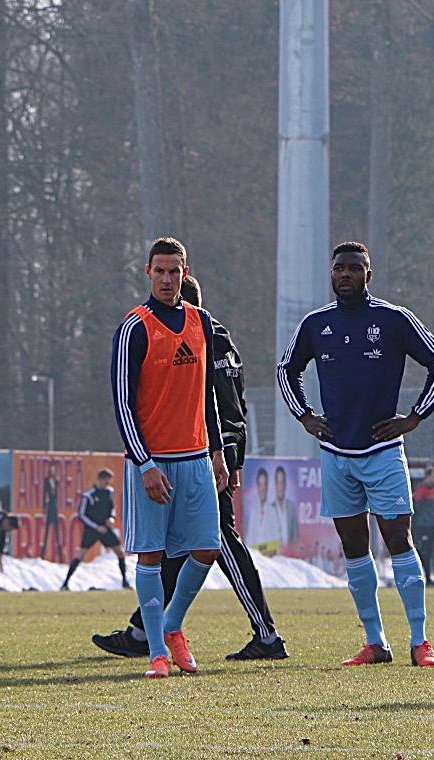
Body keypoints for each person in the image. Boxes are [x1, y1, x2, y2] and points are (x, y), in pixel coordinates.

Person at [93, 275, 287, 662]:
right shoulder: (225, 339)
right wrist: (235, 454)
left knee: (216, 542)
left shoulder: (203, 334)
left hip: (203, 452)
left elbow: (211, 402)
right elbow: (238, 405)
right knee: (176, 548)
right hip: (212, 449)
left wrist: (223, 455)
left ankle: (265, 633)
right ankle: (143, 630)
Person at [278, 241, 434, 667]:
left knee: (398, 540)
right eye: (339, 268)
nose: (346, 275)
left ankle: (420, 641)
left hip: (383, 451)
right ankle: (375, 642)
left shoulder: (393, 320)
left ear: (368, 276)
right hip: (336, 454)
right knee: (354, 546)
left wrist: (414, 417)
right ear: (331, 274)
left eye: (355, 269)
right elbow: (287, 369)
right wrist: (305, 416)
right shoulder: (316, 324)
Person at [110, 237, 229, 678]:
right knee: (152, 556)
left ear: (184, 272)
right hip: (153, 462)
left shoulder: (201, 322)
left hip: (197, 457)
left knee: (207, 549)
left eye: (174, 271)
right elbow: (123, 402)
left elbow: (208, 398)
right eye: (159, 271)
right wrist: (143, 464)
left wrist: (217, 451)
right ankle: (157, 650)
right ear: (147, 272)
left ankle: (173, 625)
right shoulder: (134, 327)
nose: (166, 278)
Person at [63, 468, 130, 590]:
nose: (107, 484)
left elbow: (112, 508)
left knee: (120, 552)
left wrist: (111, 518)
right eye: (106, 481)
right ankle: (65, 583)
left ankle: (125, 582)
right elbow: (81, 515)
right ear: (100, 479)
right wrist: (96, 527)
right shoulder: (88, 496)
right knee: (81, 555)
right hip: (92, 530)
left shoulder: (109, 492)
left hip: (105, 529)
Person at [411, 466, 434, 586]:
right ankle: (421, 576)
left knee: (429, 552)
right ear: (427, 476)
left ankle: (428, 577)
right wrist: (413, 527)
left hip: (431, 525)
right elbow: (416, 510)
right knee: (422, 551)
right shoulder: (421, 490)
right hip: (422, 526)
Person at [244, 467, 281, 553]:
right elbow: (250, 539)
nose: (262, 488)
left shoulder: (272, 511)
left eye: (264, 484)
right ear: (257, 487)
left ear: (267, 486)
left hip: (269, 558)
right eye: (260, 484)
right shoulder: (254, 512)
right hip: (257, 559)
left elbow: (276, 539)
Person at [272, 465, 300, 551]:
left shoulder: (291, 506)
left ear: (285, 485)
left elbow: (295, 533)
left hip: (289, 553)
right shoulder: (271, 508)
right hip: (274, 554)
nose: (280, 486)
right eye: (278, 482)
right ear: (275, 485)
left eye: (282, 482)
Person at [41, 463, 64, 563]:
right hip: (49, 508)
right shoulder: (46, 481)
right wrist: (44, 510)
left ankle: (60, 556)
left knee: (57, 531)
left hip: (55, 508)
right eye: (52, 469)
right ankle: (42, 554)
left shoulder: (56, 481)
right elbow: (44, 496)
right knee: (47, 531)